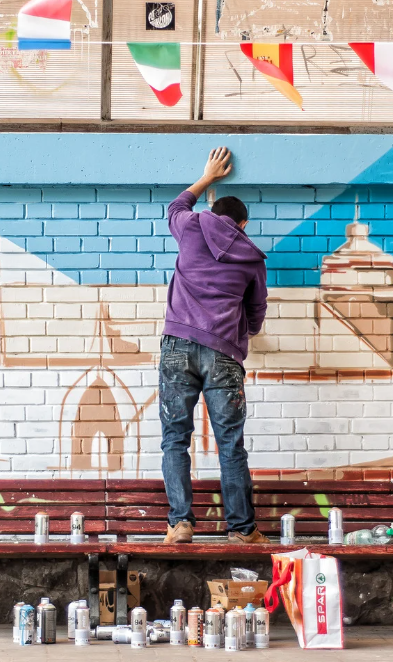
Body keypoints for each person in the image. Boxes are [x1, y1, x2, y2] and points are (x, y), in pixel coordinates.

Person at [160, 147, 269, 544]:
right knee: (230, 444)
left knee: (175, 438)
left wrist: (207, 176)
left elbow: (175, 204)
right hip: (224, 353)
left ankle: (181, 523)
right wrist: (244, 331)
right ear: (243, 223)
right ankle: (241, 530)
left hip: (177, 346)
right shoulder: (253, 258)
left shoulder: (190, 228)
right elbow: (256, 313)